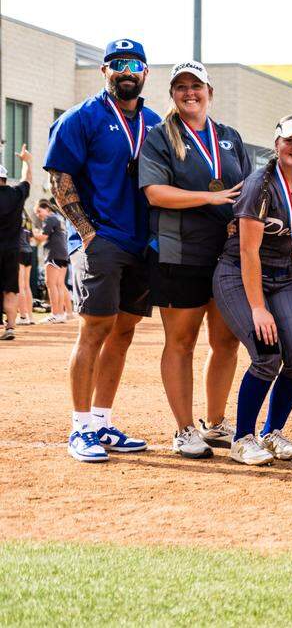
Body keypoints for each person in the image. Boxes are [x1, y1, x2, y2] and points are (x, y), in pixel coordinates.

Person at [45, 38, 159, 462]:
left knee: (124, 334)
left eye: (134, 64)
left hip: (142, 242)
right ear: (104, 71)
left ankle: (102, 421)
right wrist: (86, 232)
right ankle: (79, 429)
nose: (125, 71)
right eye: (117, 64)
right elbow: (59, 176)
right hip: (101, 241)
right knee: (95, 329)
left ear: (145, 72)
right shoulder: (82, 117)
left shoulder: (153, 121)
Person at [139, 61, 251, 458]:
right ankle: (184, 429)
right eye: (181, 87)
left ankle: (216, 424)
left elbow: (248, 191)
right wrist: (210, 198)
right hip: (179, 253)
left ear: (210, 91)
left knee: (226, 341)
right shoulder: (160, 137)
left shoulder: (230, 137)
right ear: (172, 94)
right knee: (182, 342)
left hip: (226, 256)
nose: (190, 92)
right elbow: (154, 192)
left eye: (196, 86)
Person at [214, 114, 292, 465]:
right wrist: (258, 308)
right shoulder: (260, 183)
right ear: (277, 143)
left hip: (282, 275)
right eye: (291, 140)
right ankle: (243, 438)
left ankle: (271, 431)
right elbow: (247, 252)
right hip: (239, 274)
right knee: (267, 354)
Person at [0, 148, 33, 339]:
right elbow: (26, 180)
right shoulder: (16, 194)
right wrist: (26, 162)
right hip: (13, 250)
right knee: (11, 289)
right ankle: (10, 327)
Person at [33, 201, 72, 323]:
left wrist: (33, 232)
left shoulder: (50, 218)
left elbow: (43, 237)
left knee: (50, 284)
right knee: (59, 285)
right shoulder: (59, 218)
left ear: (47, 209)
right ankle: (60, 314)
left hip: (53, 254)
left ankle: (55, 313)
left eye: (39, 211)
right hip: (63, 254)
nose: (38, 215)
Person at [16, 218, 36, 325]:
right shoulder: (28, 220)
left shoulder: (15, 217)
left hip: (19, 251)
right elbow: (31, 238)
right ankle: (30, 317)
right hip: (29, 252)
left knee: (20, 286)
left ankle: (23, 316)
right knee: (26, 286)